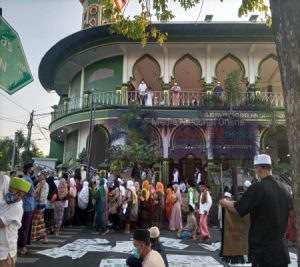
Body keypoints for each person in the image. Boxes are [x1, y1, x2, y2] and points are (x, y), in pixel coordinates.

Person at [220, 154, 291, 267]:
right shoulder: (285, 188)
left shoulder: (258, 188)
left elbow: (239, 208)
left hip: (263, 252)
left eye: (255, 169)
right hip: (281, 251)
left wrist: (225, 202)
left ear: (258, 168)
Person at [0, 177, 31, 267]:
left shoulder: (17, 207)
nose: (8, 193)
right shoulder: (8, 203)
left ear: (20, 194)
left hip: (5, 253)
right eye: (8, 190)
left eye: (11, 191)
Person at [18, 162, 43, 255]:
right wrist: (39, 187)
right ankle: (22, 247)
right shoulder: (27, 179)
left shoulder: (24, 178)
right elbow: (31, 193)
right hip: (28, 206)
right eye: (33, 168)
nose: (34, 170)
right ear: (29, 169)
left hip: (25, 205)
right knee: (25, 227)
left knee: (24, 227)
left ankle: (22, 245)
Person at [31, 171, 48, 244]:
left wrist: (33, 193)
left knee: (37, 221)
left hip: (39, 204)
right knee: (40, 221)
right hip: (41, 203)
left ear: (44, 176)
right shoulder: (43, 183)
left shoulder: (43, 182)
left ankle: (40, 237)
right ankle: (43, 237)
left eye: (42, 175)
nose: (40, 176)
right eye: (40, 175)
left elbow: (36, 191)